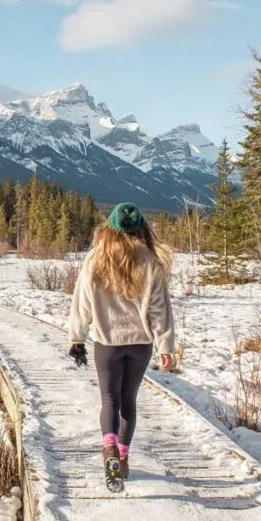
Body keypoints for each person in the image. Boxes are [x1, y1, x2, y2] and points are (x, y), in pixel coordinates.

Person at [66, 202, 175, 492]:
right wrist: (166, 346)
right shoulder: (150, 261)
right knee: (129, 401)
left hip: (107, 344)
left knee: (109, 400)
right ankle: (124, 459)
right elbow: (160, 309)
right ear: (140, 228)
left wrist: (77, 338)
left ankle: (109, 450)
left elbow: (82, 302)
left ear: (110, 228)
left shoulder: (95, 259)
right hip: (140, 345)